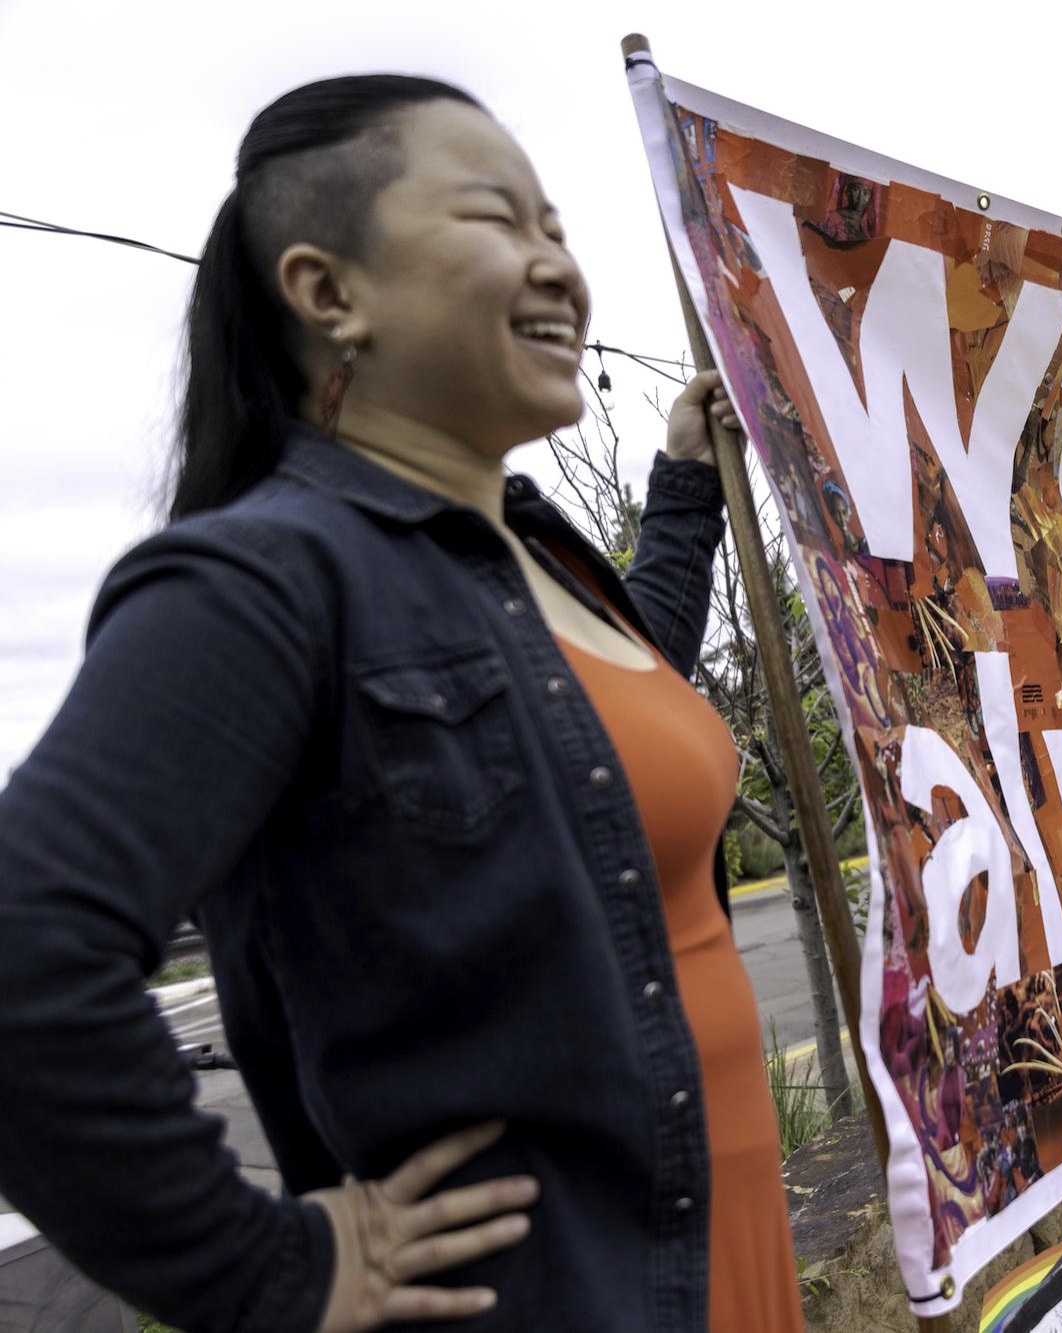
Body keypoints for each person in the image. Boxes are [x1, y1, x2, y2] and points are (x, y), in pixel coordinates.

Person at [0, 76, 806, 1332]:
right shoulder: (262, 581)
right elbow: (24, 953)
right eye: (498, 222)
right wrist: (268, 1267)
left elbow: (616, 721)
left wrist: (683, 482)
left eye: (558, 228)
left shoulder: (529, 549)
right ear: (330, 294)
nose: (557, 268)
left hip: (717, 1242)